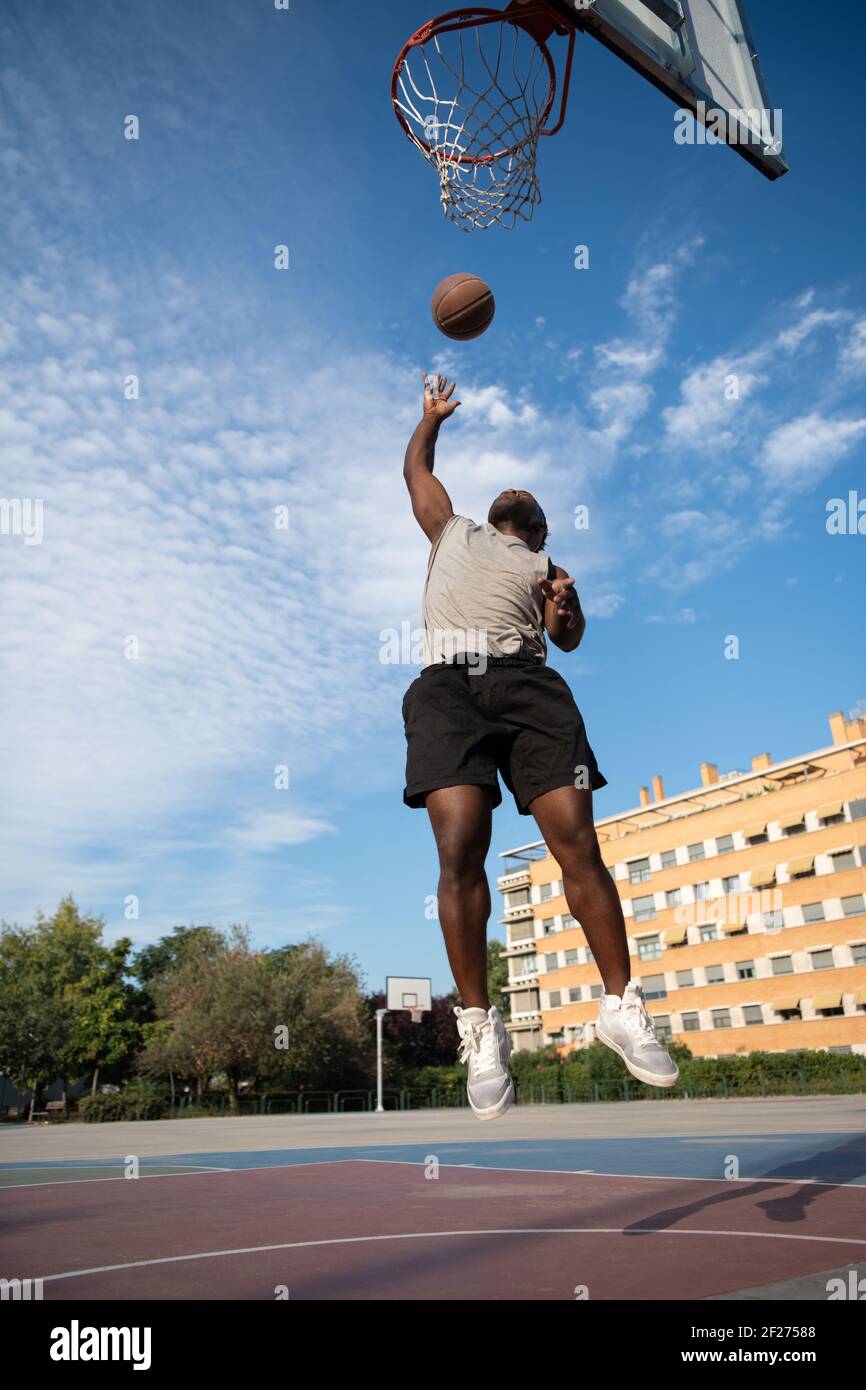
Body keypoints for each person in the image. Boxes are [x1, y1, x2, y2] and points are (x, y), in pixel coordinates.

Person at [401, 374, 678, 1118]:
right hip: (448, 688)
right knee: (460, 842)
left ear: (541, 528)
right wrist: (430, 420)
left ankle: (620, 1005)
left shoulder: (547, 571)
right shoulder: (452, 530)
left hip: (530, 687)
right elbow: (416, 474)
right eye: (512, 491)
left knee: (575, 840)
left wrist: (568, 606)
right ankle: (481, 1028)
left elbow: (570, 640)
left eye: (530, 498)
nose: (517, 490)